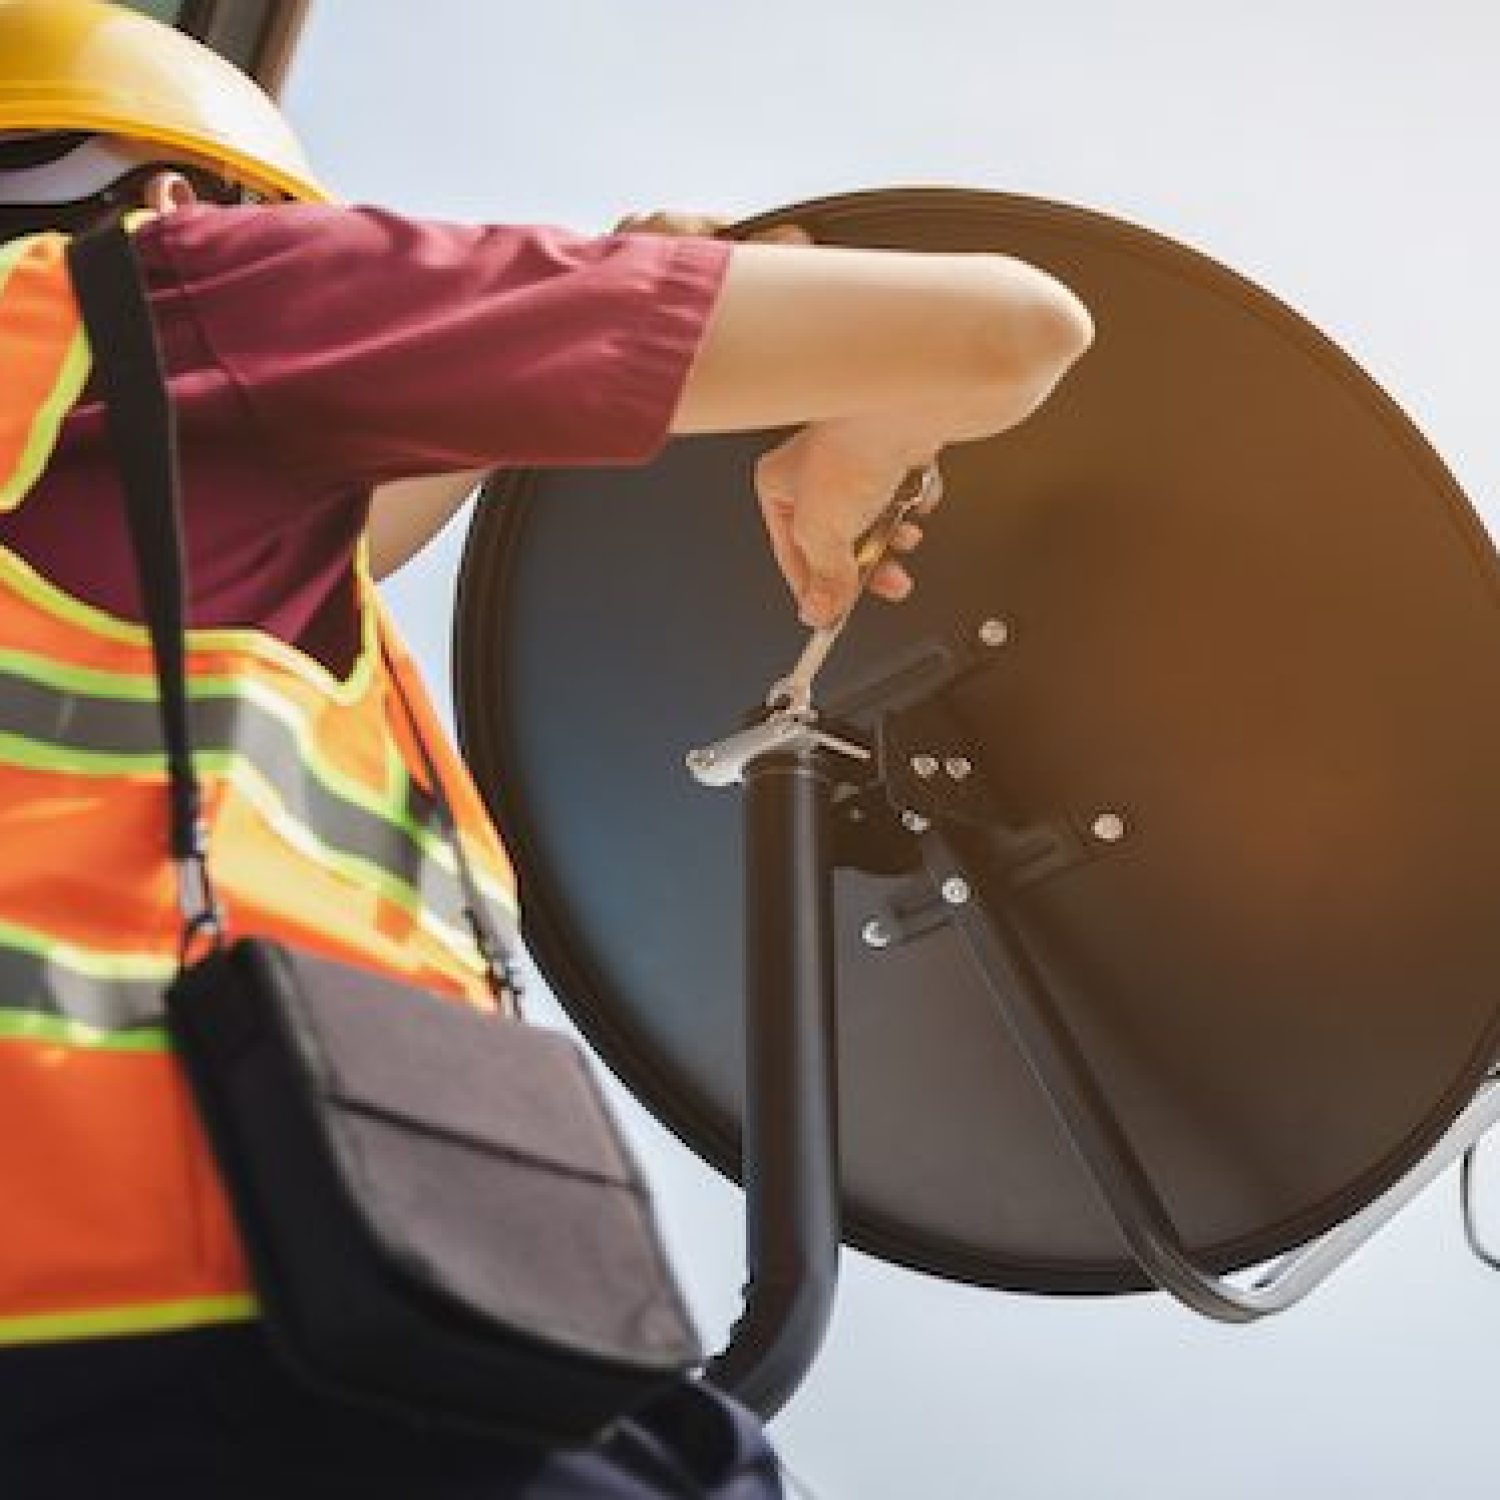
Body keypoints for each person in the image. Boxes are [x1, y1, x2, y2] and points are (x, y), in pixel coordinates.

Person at [0, 2, 1093, 1496]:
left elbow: (330, 525)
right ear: (194, 204)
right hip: (219, 1304)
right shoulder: (170, 287)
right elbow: (1010, 326)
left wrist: (605, 312)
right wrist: (846, 438)